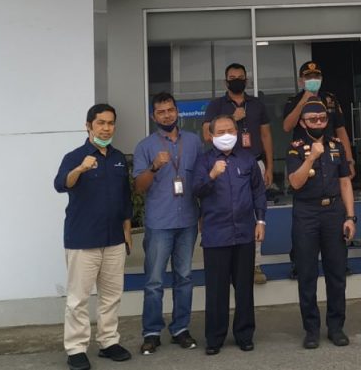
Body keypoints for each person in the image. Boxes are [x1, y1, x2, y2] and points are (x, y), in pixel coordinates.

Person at [54, 104, 133, 370]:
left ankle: (108, 342)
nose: (106, 128)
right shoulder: (75, 156)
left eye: (110, 123)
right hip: (83, 239)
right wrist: (80, 169)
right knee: (78, 299)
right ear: (88, 125)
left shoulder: (118, 157)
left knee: (112, 295)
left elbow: (125, 197)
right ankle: (76, 348)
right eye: (100, 123)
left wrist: (127, 230)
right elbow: (61, 184)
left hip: (114, 239)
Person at [133, 93, 201, 354]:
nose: (167, 115)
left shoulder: (193, 142)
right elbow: (139, 187)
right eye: (161, 112)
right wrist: (153, 167)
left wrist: (204, 215)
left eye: (170, 110)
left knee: (184, 277)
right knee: (154, 281)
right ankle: (151, 332)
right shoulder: (145, 146)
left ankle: (180, 329)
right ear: (154, 116)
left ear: (177, 111)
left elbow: (201, 182)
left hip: (188, 220)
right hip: (159, 222)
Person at [193, 114, 267, 355]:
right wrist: (212, 175)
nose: (226, 135)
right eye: (221, 132)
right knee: (217, 290)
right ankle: (215, 337)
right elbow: (196, 190)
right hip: (216, 234)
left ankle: (244, 334)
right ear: (211, 135)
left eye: (230, 131)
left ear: (237, 133)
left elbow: (258, 192)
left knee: (244, 287)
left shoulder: (247, 159)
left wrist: (261, 220)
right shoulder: (204, 161)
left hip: (244, 232)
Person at [288, 100, 357, 349]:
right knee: (307, 274)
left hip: (334, 212)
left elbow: (345, 182)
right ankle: (312, 330)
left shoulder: (337, 146)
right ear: (302, 122)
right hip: (306, 213)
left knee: (336, 274)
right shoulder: (295, 149)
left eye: (322, 118)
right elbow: (295, 183)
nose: (318, 122)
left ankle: (336, 327)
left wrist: (350, 217)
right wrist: (311, 158)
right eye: (313, 119)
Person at [202, 63, 273, 285]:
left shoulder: (257, 104)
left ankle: (255, 264)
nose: (237, 80)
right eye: (232, 77)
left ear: (246, 80)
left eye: (240, 77)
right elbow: (206, 135)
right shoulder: (216, 105)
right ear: (226, 81)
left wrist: (270, 166)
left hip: (254, 162)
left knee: (256, 212)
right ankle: (231, 265)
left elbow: (266, 136)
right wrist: (233, 118)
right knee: (230, 210)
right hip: (225, 165)